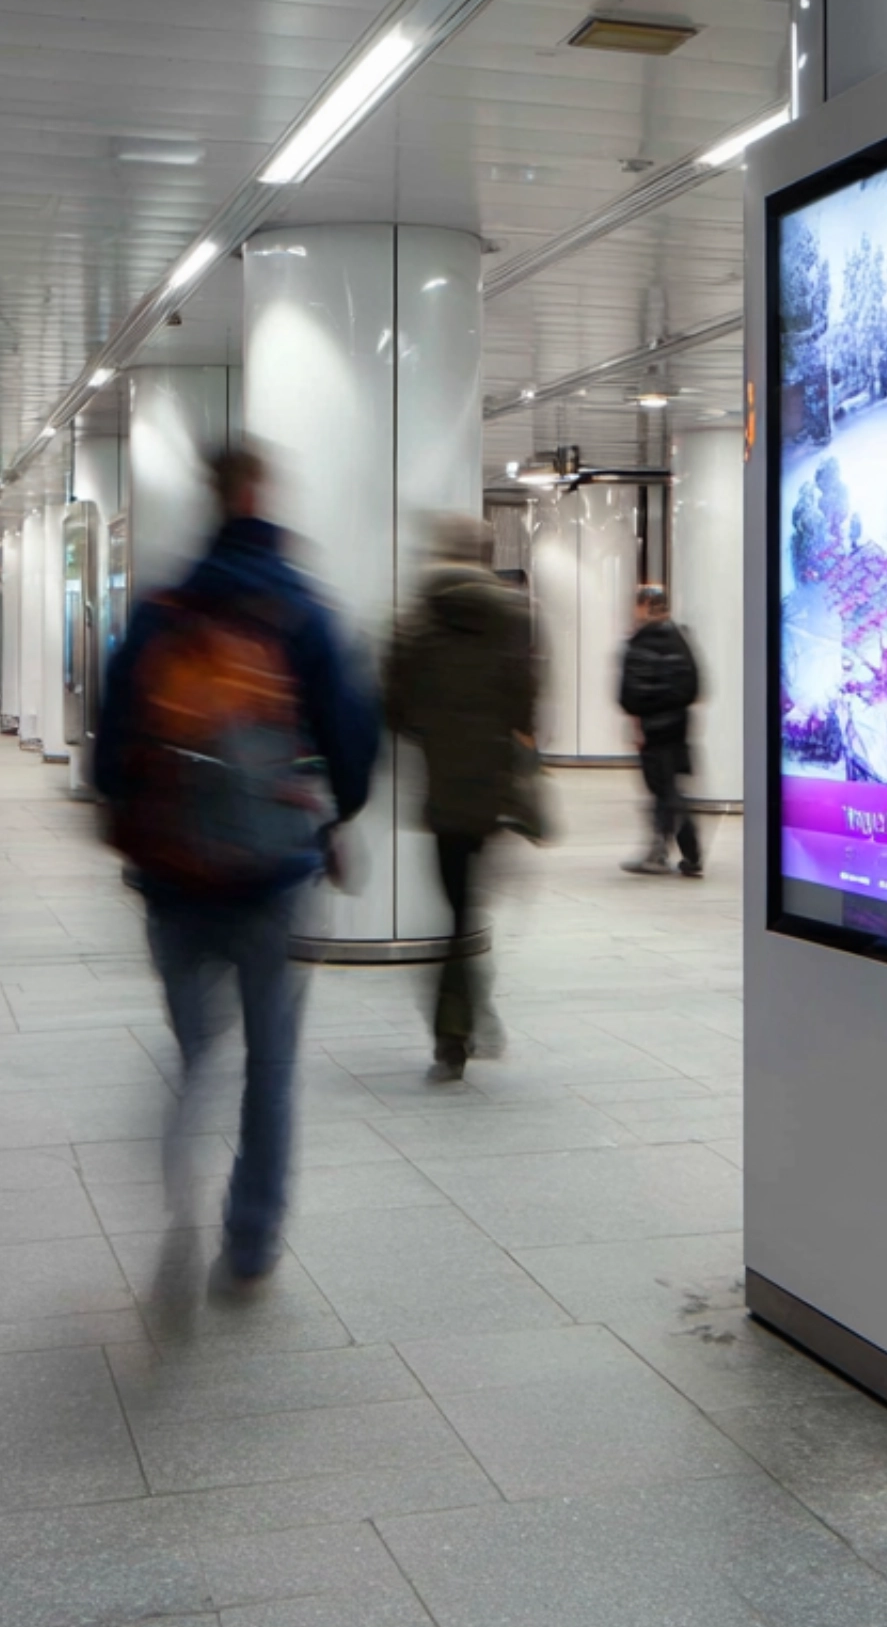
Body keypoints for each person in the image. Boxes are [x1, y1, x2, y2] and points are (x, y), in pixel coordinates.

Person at [94, 450, 379, 1290]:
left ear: (213, 500)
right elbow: (354, 738)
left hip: (174, 879)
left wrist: (136, 828)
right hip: (275, 876)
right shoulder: (298, 606)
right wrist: (334, 814)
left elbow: (111, 754)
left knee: (195, 1052)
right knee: (270, 1064)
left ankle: (179, 1169)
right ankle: (250, 1243)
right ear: (260, 495)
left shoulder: (161, 610)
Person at [385, 514, 537, 1082]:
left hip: (443, 787)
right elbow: (526, 706)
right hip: (495, 787)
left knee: (458, 907)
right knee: (467, 909)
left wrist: (434, 731)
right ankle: (463, 1012)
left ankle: (457, 1022)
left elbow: (394, 708)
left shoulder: (415, 620)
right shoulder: (515, 617)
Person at [619, 584, 703, 878]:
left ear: (643, 607)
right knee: (670, 789)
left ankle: (662, 853)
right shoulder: (680, 638)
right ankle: (689, 855)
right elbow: (694, 686)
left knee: (664, 791)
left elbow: (629, 693)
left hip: (653, 728)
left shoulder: (641, 641)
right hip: (679, 726)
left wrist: (641, 716)